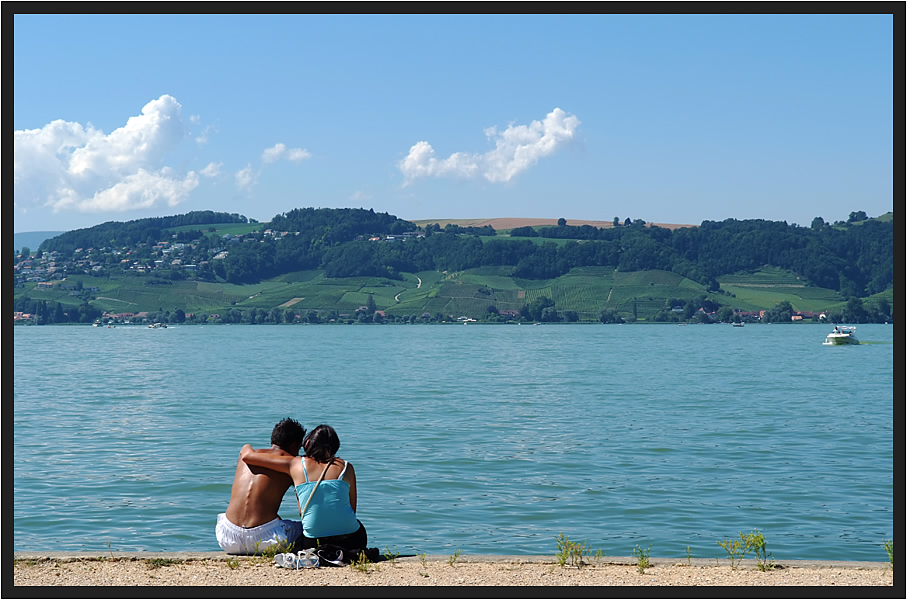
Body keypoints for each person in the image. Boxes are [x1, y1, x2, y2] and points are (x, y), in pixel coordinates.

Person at [240, 424, 367, 552]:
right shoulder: (347, 467)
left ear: (307, 444)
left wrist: (246, 446)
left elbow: (247, 456)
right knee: (357, 526)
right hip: (351, 539)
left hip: (313, 541)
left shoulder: (295, 464)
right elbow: (352, 509)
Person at [216, 418, 306, 555]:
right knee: (304, 529)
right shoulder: (293, 463)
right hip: (267, 540)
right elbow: (303, 510)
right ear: (294, 446)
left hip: (227, 537)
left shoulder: (246, 454)